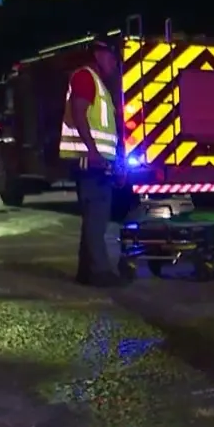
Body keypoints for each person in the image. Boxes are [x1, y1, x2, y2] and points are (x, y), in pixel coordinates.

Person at [60, 39, 125, 287]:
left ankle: (87, 272)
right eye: (112, 57)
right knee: (97, 217)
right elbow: (78, 113)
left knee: (93, 217)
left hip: (96, 161)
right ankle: (99, 272)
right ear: (99, 54)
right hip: (89, 161)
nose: (114, 63)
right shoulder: (86, 78)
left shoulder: (97, 83)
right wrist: (93, 150)